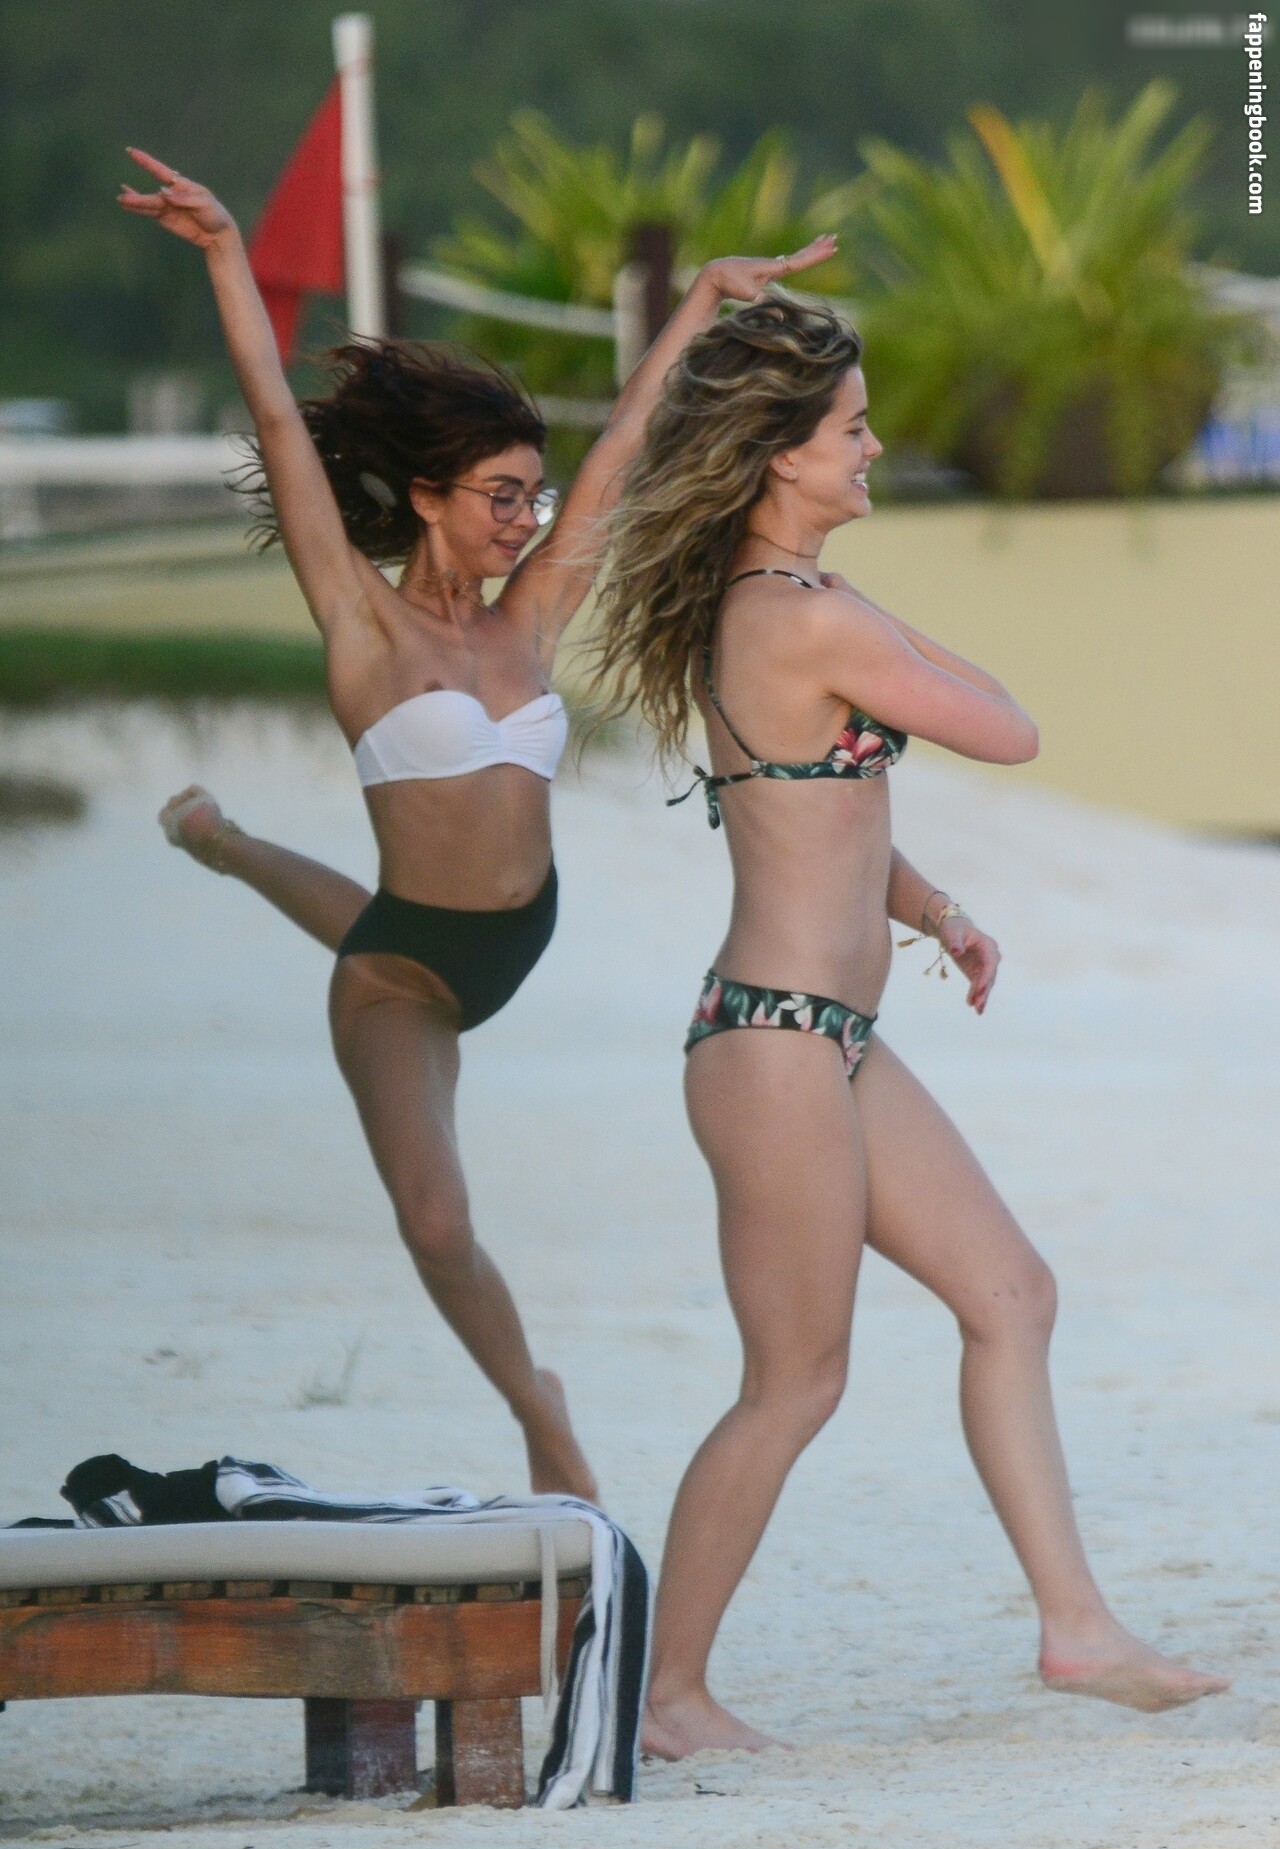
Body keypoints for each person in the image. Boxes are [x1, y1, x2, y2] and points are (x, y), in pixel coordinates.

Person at [120, 146, 836, 1501]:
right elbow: (277, 420)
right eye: (501, 496)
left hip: (515, 933)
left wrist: (699, 302)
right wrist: (223, 251)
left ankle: (221, 839)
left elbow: (621, 452)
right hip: (405, 981)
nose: (523, 520)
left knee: (389, 910)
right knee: (438, 1222)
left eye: (529, 497)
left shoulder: (529, 620)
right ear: (427, 498)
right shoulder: (362, 626)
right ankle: (537, 1409)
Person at [586, 293, 1230, 1754]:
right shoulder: (800, 616)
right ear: (782, 457)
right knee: (794, 1383)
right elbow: (1009, 727)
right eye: (852, 429)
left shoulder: (790, 607)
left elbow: (822, 818)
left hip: (827, 1040)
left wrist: (934, 912)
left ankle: (1076, 1629)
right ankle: (669, 1696)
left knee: (1011, 1291)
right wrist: (886, 623)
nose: (873, 448)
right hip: (774, 1046)